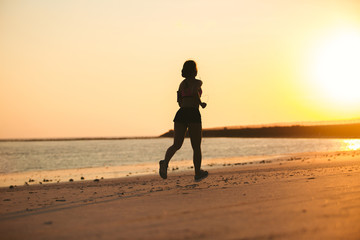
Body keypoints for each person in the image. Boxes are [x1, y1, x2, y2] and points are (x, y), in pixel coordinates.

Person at [159, 60, 208, 181]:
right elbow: (195, 92)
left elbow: (179, 101)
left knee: (176, 144)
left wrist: (186, 102)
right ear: (194, 70)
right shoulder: (198, 82)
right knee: (196, 146)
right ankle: (197, 173)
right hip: (193, 113)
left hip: (181, 113)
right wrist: (200, 103)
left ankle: (165, 162)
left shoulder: (182, 84)